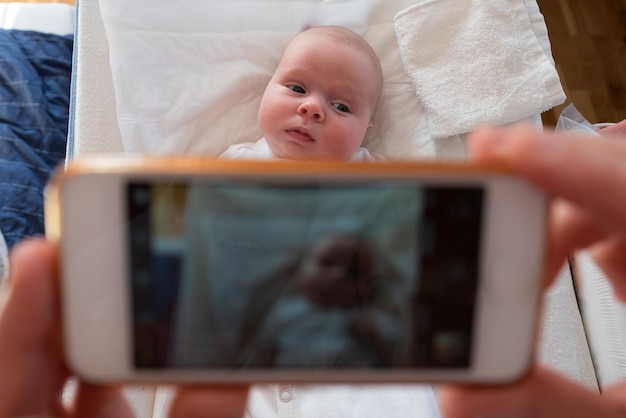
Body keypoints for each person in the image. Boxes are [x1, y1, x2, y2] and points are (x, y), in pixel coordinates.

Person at [5, 124, 626, 417]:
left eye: (342, 102)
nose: (314, 111)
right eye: (297, 88)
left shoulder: (375, 178)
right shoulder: (229, 164)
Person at [219, 25, 383, 162]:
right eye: (297, 89)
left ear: (365, 128)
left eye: (340, 106)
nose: (312, 107)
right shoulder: (237, 163)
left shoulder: (376, 174)